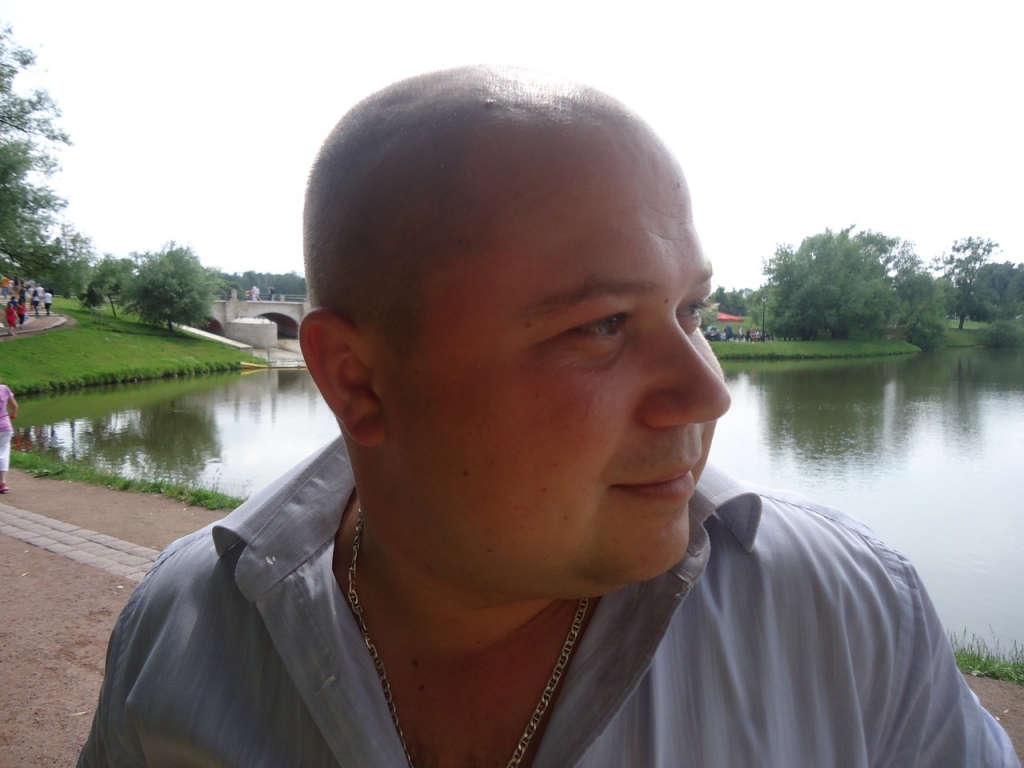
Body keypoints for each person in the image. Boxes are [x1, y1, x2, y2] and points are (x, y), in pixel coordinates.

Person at [78, 67, 1020, 768]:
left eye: (691, 310)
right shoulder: (182, 628)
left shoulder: (848, 614)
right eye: (602, 326)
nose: (709, 394)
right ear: (358, 382)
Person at [0, 374, 17, 493]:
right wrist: (13, 413)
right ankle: (2, 481)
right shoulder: (4, 388)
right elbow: (14, 406)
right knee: (3, 453)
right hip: (5, 426)